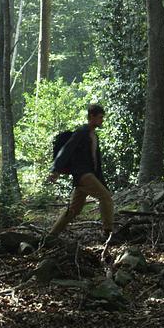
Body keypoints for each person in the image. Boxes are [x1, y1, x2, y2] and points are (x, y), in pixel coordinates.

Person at [46, 103, 114, 241]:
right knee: (106, 198)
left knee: (73, 210)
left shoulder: (94, 136)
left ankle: (51, 236)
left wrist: (101, 182)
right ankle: (108, 233)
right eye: (100, 117)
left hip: (88, 175)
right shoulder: (81, 132)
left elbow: (96, 163)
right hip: (83, 175)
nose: (102, 120)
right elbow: (67, 149)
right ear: (91, 117)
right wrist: (55, 170)